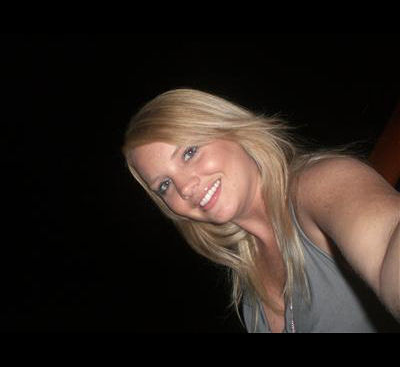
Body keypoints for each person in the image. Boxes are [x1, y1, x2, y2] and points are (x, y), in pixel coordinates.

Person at [122, 88, 400, 333]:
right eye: (165, 185)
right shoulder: (249, 292)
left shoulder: (317, 187)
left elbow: (388, 241)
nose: (184, 188)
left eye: (189, 152)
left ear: (229, 129)